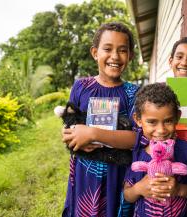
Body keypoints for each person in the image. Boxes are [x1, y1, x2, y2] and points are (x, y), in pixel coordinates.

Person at [61, 22, 139, 217]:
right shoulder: (81, 87)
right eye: (107, 49)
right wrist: (70, 137)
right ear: (95, 52)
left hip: (119, 174)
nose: (115, 56)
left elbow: (137, 139)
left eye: (122, 50)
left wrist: (94, 133)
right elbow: (70, 125)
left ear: (130, 56)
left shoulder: (133, 94)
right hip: (85, 173)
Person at [123, 83, 187, 216]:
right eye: (152, 122)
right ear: (138, 120)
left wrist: (180, 189)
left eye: (168, 121)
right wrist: (138, 189)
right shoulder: (137, 151)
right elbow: (127, 194)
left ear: (177, 117)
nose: (161, 130)